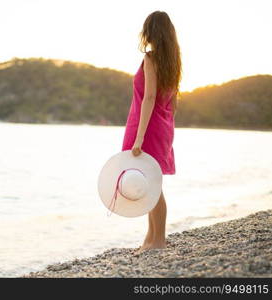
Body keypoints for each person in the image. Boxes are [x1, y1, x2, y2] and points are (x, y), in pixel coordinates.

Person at [121, 11, 182, 253]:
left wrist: (139, 138)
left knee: (152, 184)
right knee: (151, 181)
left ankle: (159, 242)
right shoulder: (173, 61)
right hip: (163, 126)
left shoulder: (150, 59)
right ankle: (150, 238)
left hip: (147, 126)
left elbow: (149, 97)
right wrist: (167, 126)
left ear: (150, 31)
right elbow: (174, 102)